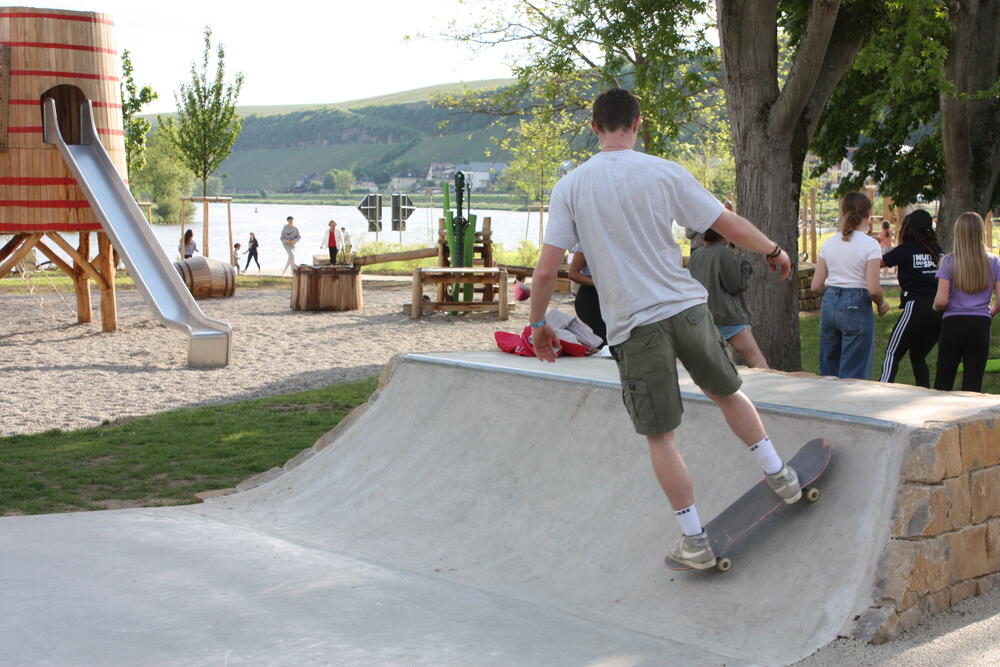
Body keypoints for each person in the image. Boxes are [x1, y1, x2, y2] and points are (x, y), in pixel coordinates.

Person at [529, 88, 799, 570]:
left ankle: (694, 540)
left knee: (662, 438)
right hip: (687, 308)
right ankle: (780, 475)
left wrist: (538, 327)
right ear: (637, 123)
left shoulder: (571, 186)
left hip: (634, 325)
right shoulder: (663, 171)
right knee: (728, 394)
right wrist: (775, 251)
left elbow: (548, 272)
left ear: (595, 128)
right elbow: (728, 224)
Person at [810, 192, 890, 379]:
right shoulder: (870, 245)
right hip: (856, 304)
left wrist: (832, 296)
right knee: (854, 371)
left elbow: (815, 286)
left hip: (829, 303)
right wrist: (882, 304)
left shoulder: (829, 243)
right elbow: (873, 289)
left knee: (829, 367)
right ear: (868, 213)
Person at [932, 212, 1000, 392]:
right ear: (981, 232)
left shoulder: (948, 261)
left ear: (958, 233)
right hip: (980, 325)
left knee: (943, 383)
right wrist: (989, 312)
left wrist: (935, 307)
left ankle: (940, 418)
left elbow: (941, 300)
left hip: (953, 324)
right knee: (972, 385)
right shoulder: (993, 261)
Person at [878, 210, 943, 387]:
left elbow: (877, 264)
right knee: (918, 356)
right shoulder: (937, 251)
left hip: (916, 307)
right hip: (939, 310)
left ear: (908, 229)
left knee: (893, 353)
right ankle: (924, 393)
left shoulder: (906, 250)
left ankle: (881, 389)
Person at [688, 227, 768, 368]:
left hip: (704, 317)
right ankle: (768, 388)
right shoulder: (725, 253)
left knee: (715, 367)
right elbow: (736, 286)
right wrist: (745, 266)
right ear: (724, 235)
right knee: (757, 360)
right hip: (728, 317)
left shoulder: (696, 255)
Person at [568, 247, 607, 346]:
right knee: (604, 336)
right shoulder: (585, 243)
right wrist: (601, 284)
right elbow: (573, 274)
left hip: (612, 296)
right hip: (591, 297)